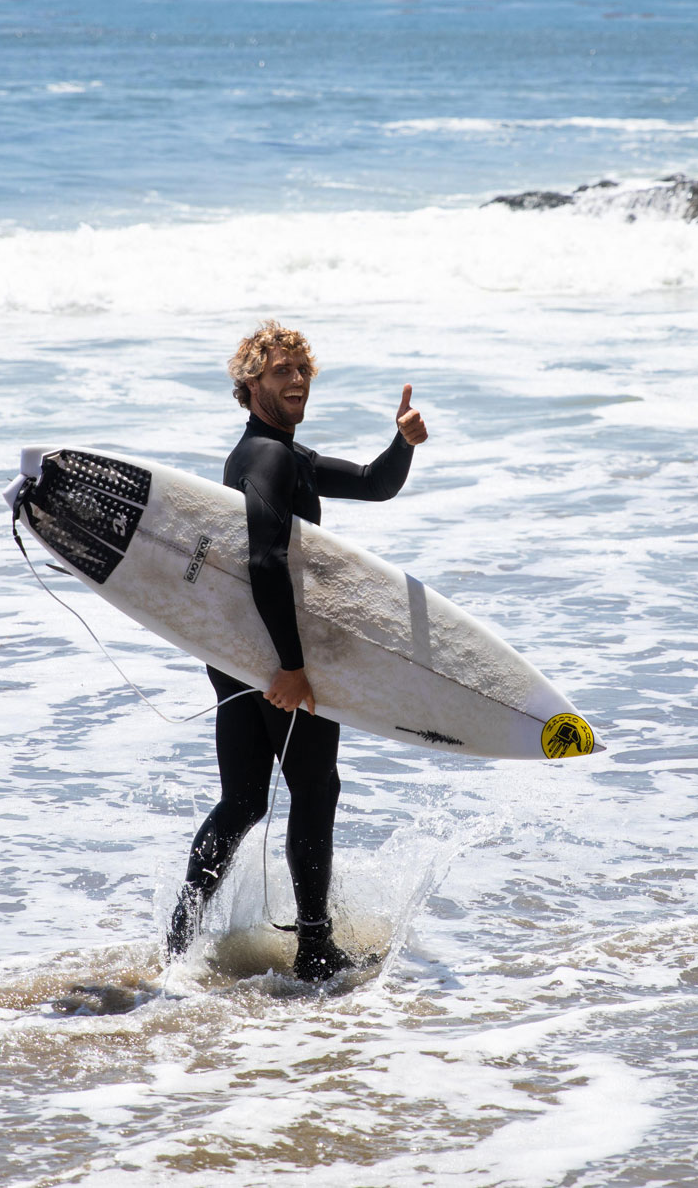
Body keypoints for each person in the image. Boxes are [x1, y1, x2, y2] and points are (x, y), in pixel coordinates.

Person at [165, 320, 429, 981]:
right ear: (250, 381)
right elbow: (263, 559)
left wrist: (402, 443)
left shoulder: (277, 455)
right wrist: (288, 664)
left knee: (244, 800)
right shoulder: (269, 458)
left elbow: (373, 482)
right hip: (271, 651)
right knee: (315, 786)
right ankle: (314, 947)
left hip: (234, 650)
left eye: (302, 371)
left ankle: (178, 943)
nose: (296, 381)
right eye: (281, 371)